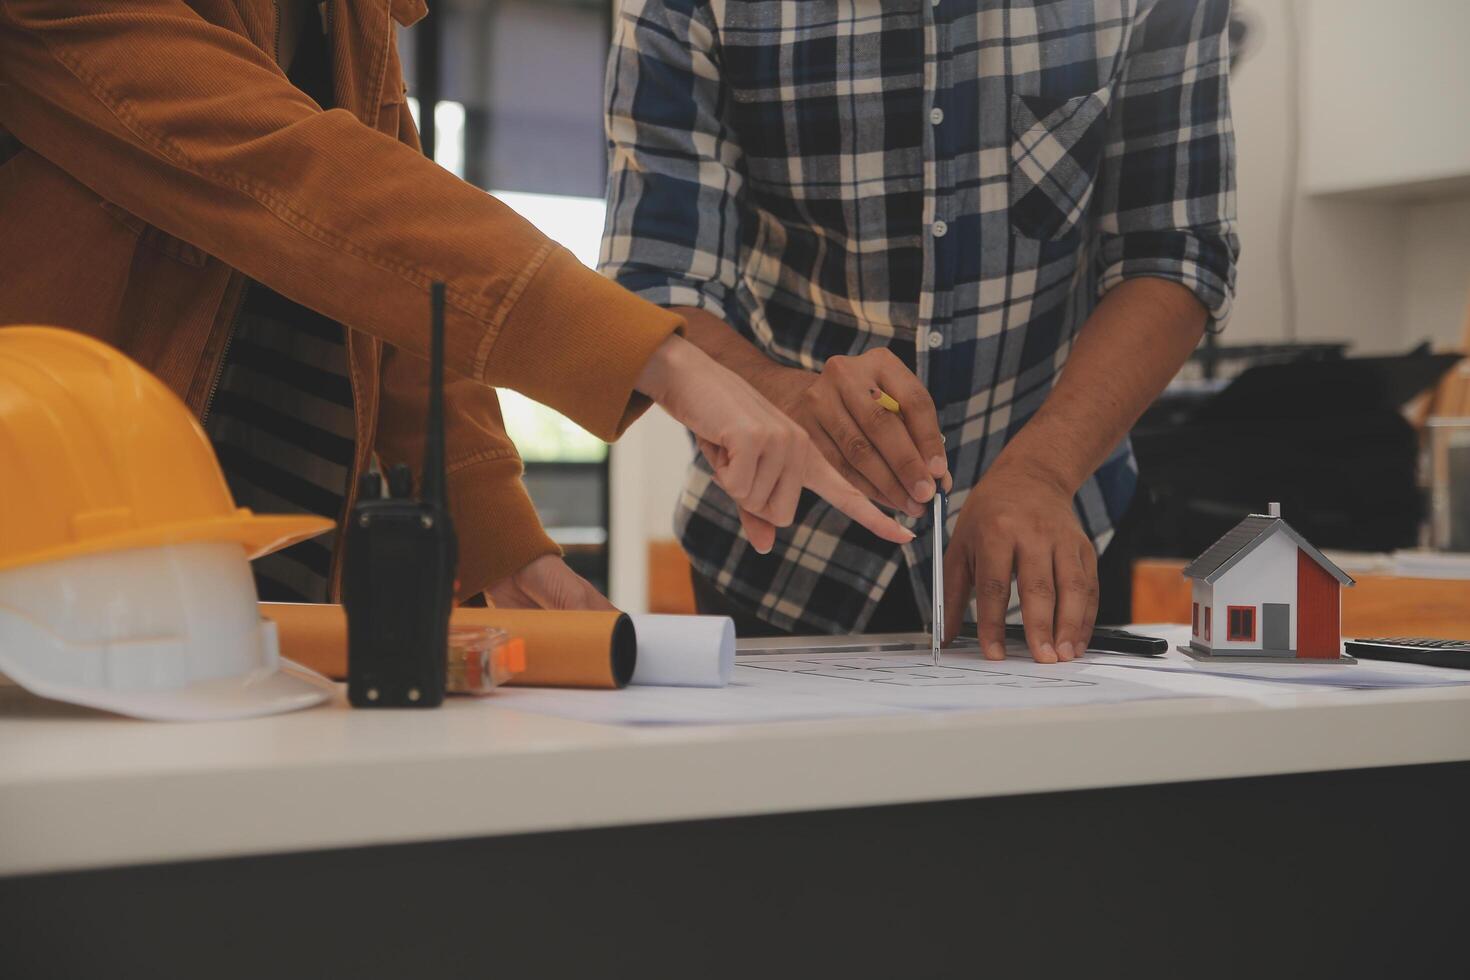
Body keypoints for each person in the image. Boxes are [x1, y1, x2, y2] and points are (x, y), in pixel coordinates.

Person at [0, 0, 911, 610]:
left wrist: (501, 540)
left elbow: (392, 294)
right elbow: (296, 182)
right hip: (55, 576)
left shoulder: (345, 14)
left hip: (265, 588)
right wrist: (664, 360)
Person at [601, 0, 1239, 661]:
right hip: (781, 551)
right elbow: (656, 281)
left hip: (1060, 536)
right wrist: (780, 396)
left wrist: (1045, 468)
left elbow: (1173, 251)